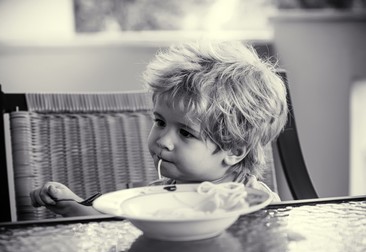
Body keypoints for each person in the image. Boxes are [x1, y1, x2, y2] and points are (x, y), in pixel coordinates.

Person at [29, 39, 288, 217]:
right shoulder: (158, 194)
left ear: (234, 149)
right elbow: (110, 224)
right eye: (160, 122)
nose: (163, 140)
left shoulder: (255, 202)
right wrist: (73, 205)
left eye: (186, 133)